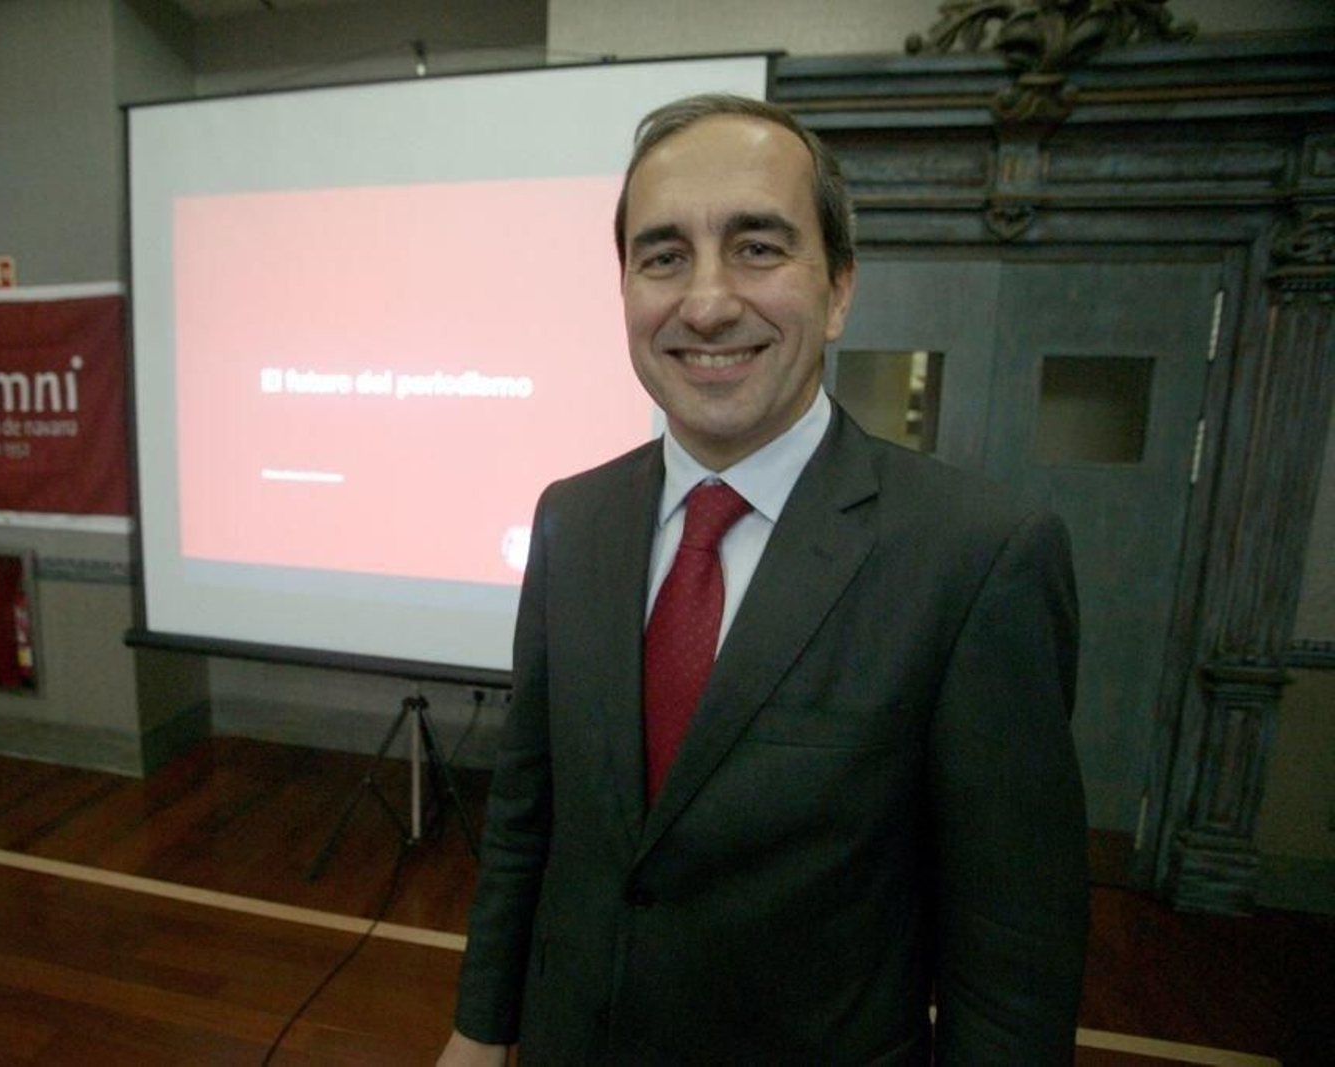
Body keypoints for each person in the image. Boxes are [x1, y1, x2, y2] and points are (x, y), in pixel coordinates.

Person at [439, 93, 1088, 1064]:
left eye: (756, 247)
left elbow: (1013, 962)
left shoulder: (979, 557)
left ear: (837, 290)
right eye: (662, 256)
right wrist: (479, 1029)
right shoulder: (570, 518)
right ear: (624, 291)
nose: (704, 301)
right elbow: (526, 820)